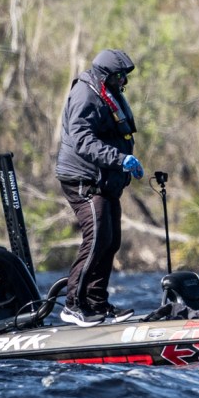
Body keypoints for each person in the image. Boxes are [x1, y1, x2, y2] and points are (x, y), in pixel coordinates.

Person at [55, 49, 144, 326]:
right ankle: (73, 305)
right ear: (105, 75)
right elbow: (82, 139)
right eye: (119, 76)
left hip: (104, 180)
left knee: (111, 241)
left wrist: (126, 163)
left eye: (124, 76)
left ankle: (96, 303)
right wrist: (119, 159)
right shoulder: (86, 94)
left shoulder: (108, 92)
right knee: (96, 240)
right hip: (83, 180)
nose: (123, 81)